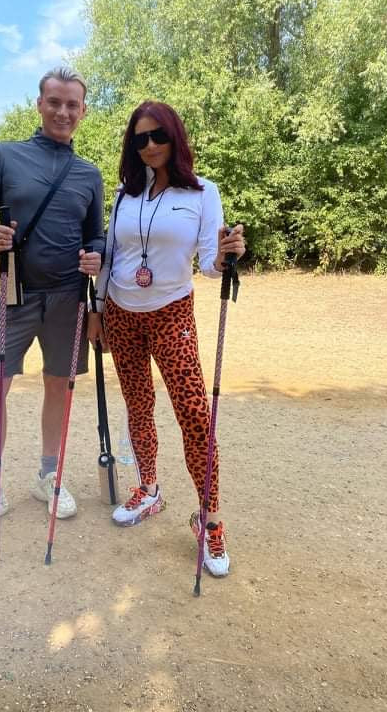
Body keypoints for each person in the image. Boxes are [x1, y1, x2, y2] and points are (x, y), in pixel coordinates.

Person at [0, 67, 104, 535]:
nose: (63, 111)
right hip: (14, 292)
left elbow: (96, 234)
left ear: (82, 111)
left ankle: (49, 476)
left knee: (60, 385)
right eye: (55, 102)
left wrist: (97, 253)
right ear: (39, 104)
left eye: (72, 104)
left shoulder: (88, 174)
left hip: (68, 298)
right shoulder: (6, 156)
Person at [88, 101, 245, 577]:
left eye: (158, 136)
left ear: (174, 138)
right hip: (121, 312)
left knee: (194, 413)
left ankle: (210, 517)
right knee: (137, 406)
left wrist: (227, 255)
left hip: (171, 312)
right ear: (131, 146)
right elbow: (111, 254)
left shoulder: (201, 192)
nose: (150, 145)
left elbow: (210, 263)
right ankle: (149, 488)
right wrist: (96, 311)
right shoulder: (123, 194)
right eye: (140, 139)